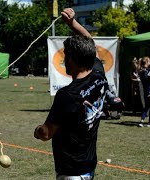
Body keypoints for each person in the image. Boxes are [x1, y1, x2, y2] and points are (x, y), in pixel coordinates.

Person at [34, 8, 108, 179]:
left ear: (73, 60)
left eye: (66, 56)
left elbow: (46, 133)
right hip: (88, 164)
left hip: (71, 171)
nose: (64, 59)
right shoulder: (98, 74)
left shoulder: (67, 95)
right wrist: (72, 23)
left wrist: (37, 131)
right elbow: (89, 41)